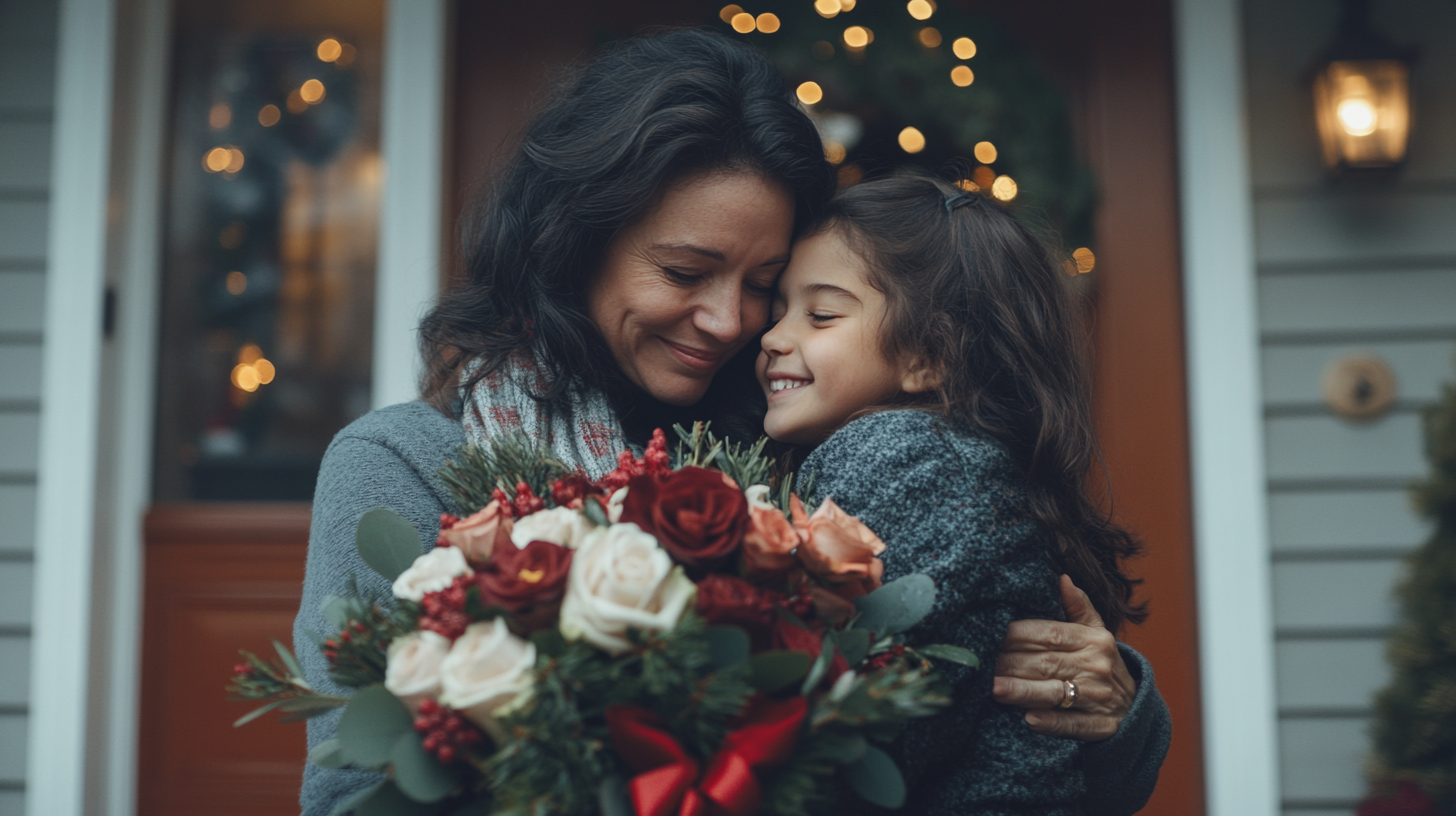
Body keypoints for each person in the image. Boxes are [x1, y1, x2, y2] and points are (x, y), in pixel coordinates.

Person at [294, 28, 1168, 816]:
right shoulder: (403, 464)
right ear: (572, 243)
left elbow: (991, 745)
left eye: (764, 284)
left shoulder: (802, 436)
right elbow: (354, 794)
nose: (732, 322)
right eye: (685, 271)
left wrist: (1112, 706)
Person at [756, 173, 1167, 813]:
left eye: (821, 315)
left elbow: (876, 723)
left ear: (928, 356)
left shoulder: (907, 456)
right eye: (778, 307)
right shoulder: (948, 457)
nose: (773, 336)